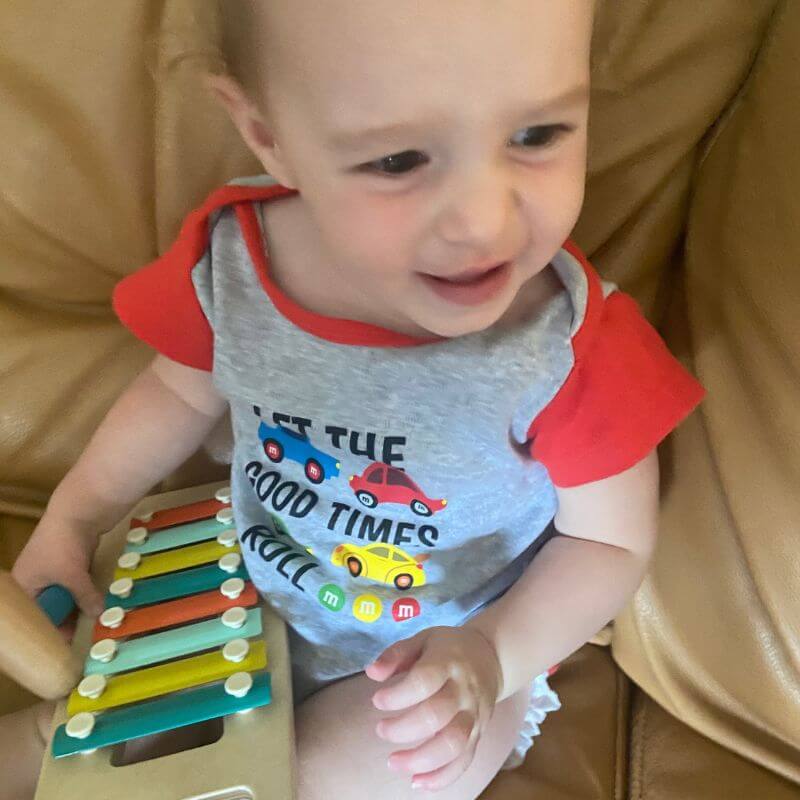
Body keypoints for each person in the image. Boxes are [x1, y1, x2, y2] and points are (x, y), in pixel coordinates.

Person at [6, 1, 705, 798]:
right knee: (64, 748)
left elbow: (609, 546)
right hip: (233, 605)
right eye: (400, 160)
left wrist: (491, 656)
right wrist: (72, 519)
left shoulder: (568, 347)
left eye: (538, 135)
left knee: (304, 783)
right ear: (269, 136)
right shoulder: (232, 259)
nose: (484, 220)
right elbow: (176, 389)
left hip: (440, 673)